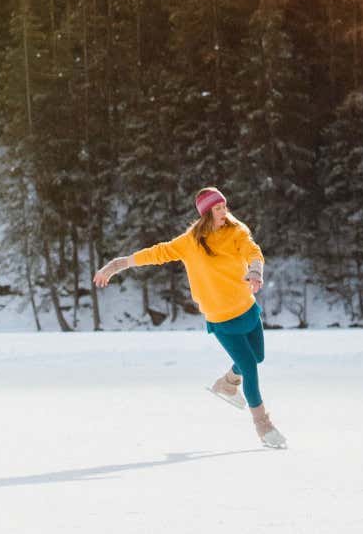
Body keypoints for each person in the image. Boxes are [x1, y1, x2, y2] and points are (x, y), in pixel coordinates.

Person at [93, 186, 287, 449]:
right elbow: (157, 253)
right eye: (218, 208)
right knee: (250, 367)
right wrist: (119, 264)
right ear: (207, 213)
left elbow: (253, 251)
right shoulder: (190, 242)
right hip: (221, 319)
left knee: (258, 357)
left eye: (224, 206)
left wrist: (255, 270)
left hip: (247, 308)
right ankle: (264, 427)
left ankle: (227, 384)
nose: (224, 212)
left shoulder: (236, 232)